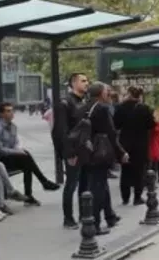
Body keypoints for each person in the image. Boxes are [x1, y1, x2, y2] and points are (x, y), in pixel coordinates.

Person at [0, 102, 60, 207]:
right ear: (1, 114)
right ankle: (43, 182)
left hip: (12, 157)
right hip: (2, 159)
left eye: (12, 110)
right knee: (26, 157)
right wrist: (17, 152)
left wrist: (18, 150)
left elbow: (15, 143)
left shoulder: (13, 126)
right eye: (8, 111)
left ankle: (30, 195)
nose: (11, 113)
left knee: (27, 162)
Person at [83, 82, 127, 234]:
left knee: (101, 184)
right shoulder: (101, 108)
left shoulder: (86, 106)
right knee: (98, 188)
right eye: (108, 91)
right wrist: (121, 152)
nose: (110, 94)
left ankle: (110, 216)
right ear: (101, 94)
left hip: (88, 152)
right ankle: (94, 224)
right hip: (100, 153)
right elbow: (111, 132)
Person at [53, 72, 89, 229]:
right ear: (73, 83)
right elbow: (62, 131)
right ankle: (68, 218)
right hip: (73, 150)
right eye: (83, 81)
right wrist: (69, 153)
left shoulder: (84, 101)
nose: (86, 83)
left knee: (85, 183)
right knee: (71, 184)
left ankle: (84, 214)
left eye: (87, 80)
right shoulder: (64, 103)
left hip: (84, 148)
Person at [113, 86, 155, 205]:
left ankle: (125, 197)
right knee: (139, 171)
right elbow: (151, 125)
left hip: (125, 143)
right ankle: (137, 197)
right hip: (140, 143)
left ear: (129, 94)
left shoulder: (120, 107)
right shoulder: (145, 108)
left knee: (125, 171)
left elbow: (116, 125)